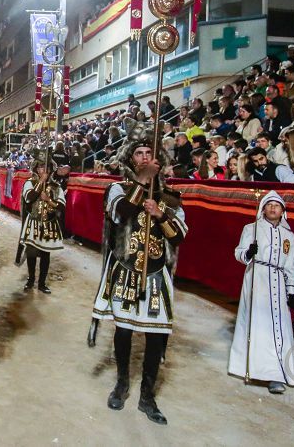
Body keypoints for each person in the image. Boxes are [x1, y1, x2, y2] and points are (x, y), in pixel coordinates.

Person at [89, 122, 187, 425]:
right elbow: (120, 214)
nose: (144, 158)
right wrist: (141, 183)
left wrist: (161, 214)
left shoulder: (171, 197)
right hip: (126, 269)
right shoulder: (117, 189)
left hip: (156, 275)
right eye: (139, 153)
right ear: (131, 158)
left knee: (155, 336)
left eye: (149, 153)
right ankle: (121, 383)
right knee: (124, 330)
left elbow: (180, 235)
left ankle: (147, 395)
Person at [228, 191, 294, 394]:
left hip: (279, 282)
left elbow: (291, 264)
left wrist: (293, 290)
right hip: (257, 278)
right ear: (263, 208)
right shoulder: (252, 228)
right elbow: (238, 253)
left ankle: (277, 374)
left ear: (283, 210)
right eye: (269, 205)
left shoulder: (289, 236)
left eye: (277, 205)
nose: (273, 208)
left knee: (279, 328)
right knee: (258, 325)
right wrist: (248, 253)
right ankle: (255, 368)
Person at [17, 149, 65, 293]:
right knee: (31, 253)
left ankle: (42, 283)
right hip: (33, 224)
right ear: (36, 168)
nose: (43, 169)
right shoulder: (29, 183)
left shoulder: (56, 187)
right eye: (40, 167)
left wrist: (48, 200)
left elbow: (61, 206)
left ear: (50, 169)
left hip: (49, 225)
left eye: (46, 167)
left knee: (45, 254)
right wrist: (41, 183)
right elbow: (29, 198)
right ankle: (31, 279)